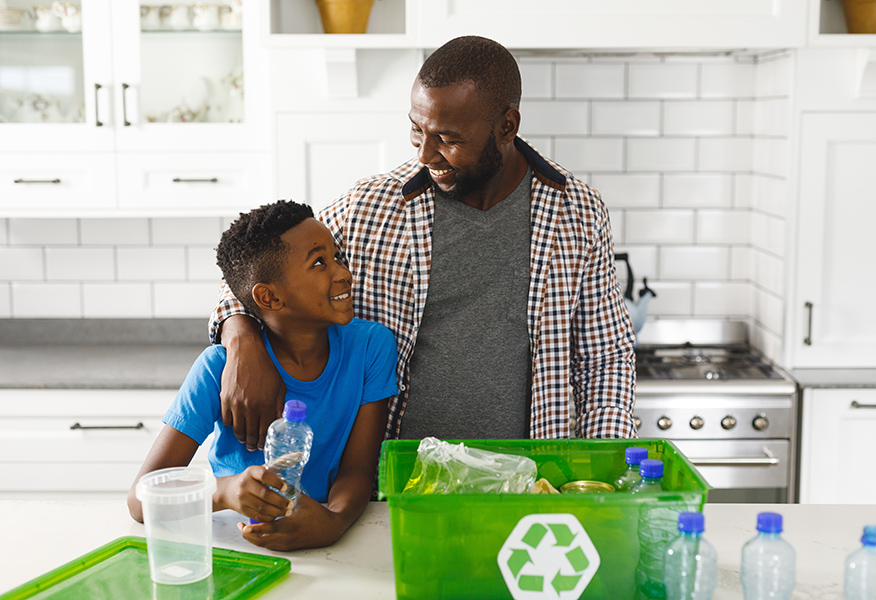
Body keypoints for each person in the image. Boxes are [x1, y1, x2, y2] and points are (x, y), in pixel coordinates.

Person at [209, 35, 636, 449]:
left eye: (448, 139)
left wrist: (605, 470)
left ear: (507, 126)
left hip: (522, 481)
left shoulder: (576, 211)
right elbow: (253, 271)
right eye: (417, 130)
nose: (424, 154)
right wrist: (241, 341)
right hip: (390, 481)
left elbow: (605, 356)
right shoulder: (371, 205)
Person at [128, 200, 399, 551]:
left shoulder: (371, 347)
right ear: (269, 296)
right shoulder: (217, 369)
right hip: (234, 542)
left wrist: (333, 522)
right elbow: (139, 499)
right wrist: (224, 492)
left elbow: (358, 470)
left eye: (338, 256)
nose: (343, 272)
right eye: (319, 262)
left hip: (331, 537)